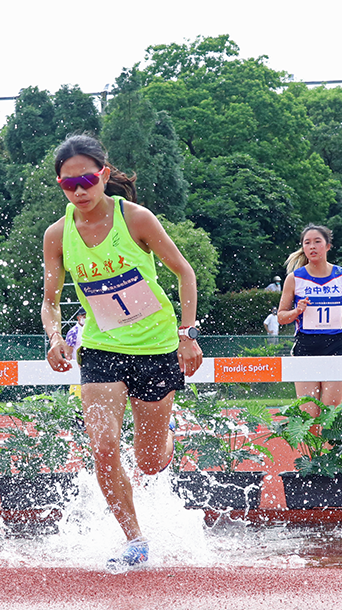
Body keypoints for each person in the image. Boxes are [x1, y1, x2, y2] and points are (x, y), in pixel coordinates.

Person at [40, 134, 202, 573]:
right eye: (68, 184)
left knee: (149, 461)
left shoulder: (137, 220)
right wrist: (55, 338)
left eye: (88, 179)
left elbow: (184, 273)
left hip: (155, 346)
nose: (79, 190)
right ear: (59, 184)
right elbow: (51, 299)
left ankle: (166, 437)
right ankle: (135, 539)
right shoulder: (58, 234)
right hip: (100, 347)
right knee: (103, 445)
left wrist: (187, 332)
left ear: (104, 176)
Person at [277, 224, 342, 410]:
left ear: (327, 246)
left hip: (336, 345)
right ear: (303, 247)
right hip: (305, 346)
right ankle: (313, 441)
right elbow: (281, 317)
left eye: (317, 242)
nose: (312, 247)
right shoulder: (294, 279)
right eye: (307, 243)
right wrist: (296, 312)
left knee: (330, 412)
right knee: (309, 413)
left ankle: (328, 441)